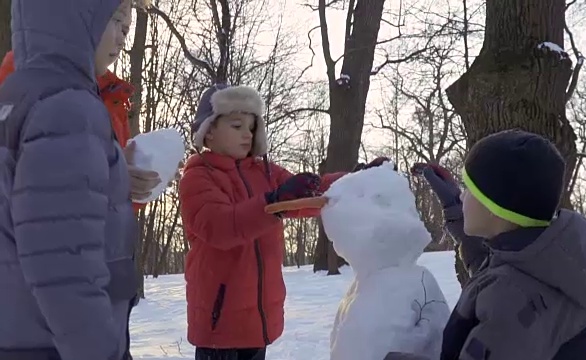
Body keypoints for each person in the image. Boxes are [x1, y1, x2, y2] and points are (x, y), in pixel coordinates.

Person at [179, 83, 390, 360]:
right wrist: (273, 202)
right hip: (220, 323)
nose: (247, 134)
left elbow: (311, 192)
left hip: (258, 319)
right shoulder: (198, 177)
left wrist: (357, 180)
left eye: (252, 127)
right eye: (236, 125)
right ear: (208, 132)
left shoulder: (264, 172)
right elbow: (221, 228)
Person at [0, 0, 159, 359]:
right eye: (113, 20)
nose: (122, 36)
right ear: (75, 14)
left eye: (127, 27)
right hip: (56, 344)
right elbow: (63, 267)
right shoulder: (66, 108)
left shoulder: (17, 95)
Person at [403, 129, 586, 359]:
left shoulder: (511, 301)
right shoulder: (546, 261)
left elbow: (506, 294)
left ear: (495, 209)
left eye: (469, 190)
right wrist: (457, 215)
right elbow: (496, 273)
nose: (462, 196)